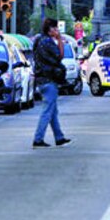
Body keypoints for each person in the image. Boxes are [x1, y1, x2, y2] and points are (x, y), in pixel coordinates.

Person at [32, 18, 71, 148]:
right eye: (55, 28)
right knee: (47, 110)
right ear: (50, 30)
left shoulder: (38, 40)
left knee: (53, 111)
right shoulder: (48, 42)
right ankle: (38, 139)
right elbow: (60, 55)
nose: (57, 31)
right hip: (49, 79)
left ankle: (59, 137)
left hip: (41, 79)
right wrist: (59, 39)